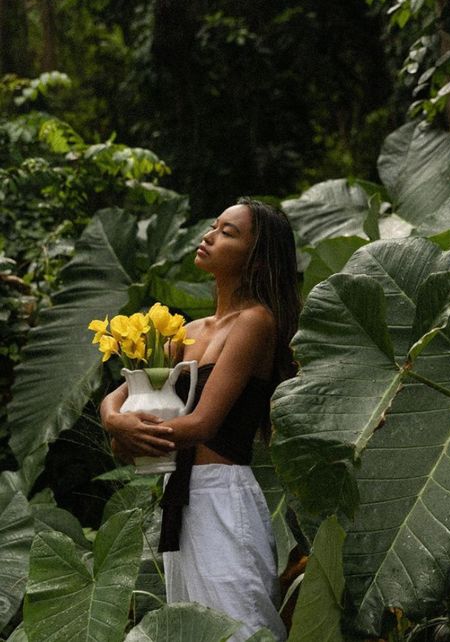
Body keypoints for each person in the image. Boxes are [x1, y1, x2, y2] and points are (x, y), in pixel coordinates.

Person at [100, 197, 301, 641]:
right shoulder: (186, 332)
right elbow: (119, 396)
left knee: (239, 627)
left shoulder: (254, 322)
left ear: (256, 257)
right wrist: (117, 424)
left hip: (222, 498)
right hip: (181, 497)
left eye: (228, 232)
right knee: (192, 631)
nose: (210, 235)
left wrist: (132, 431)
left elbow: (204, 424)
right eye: (214, 226)